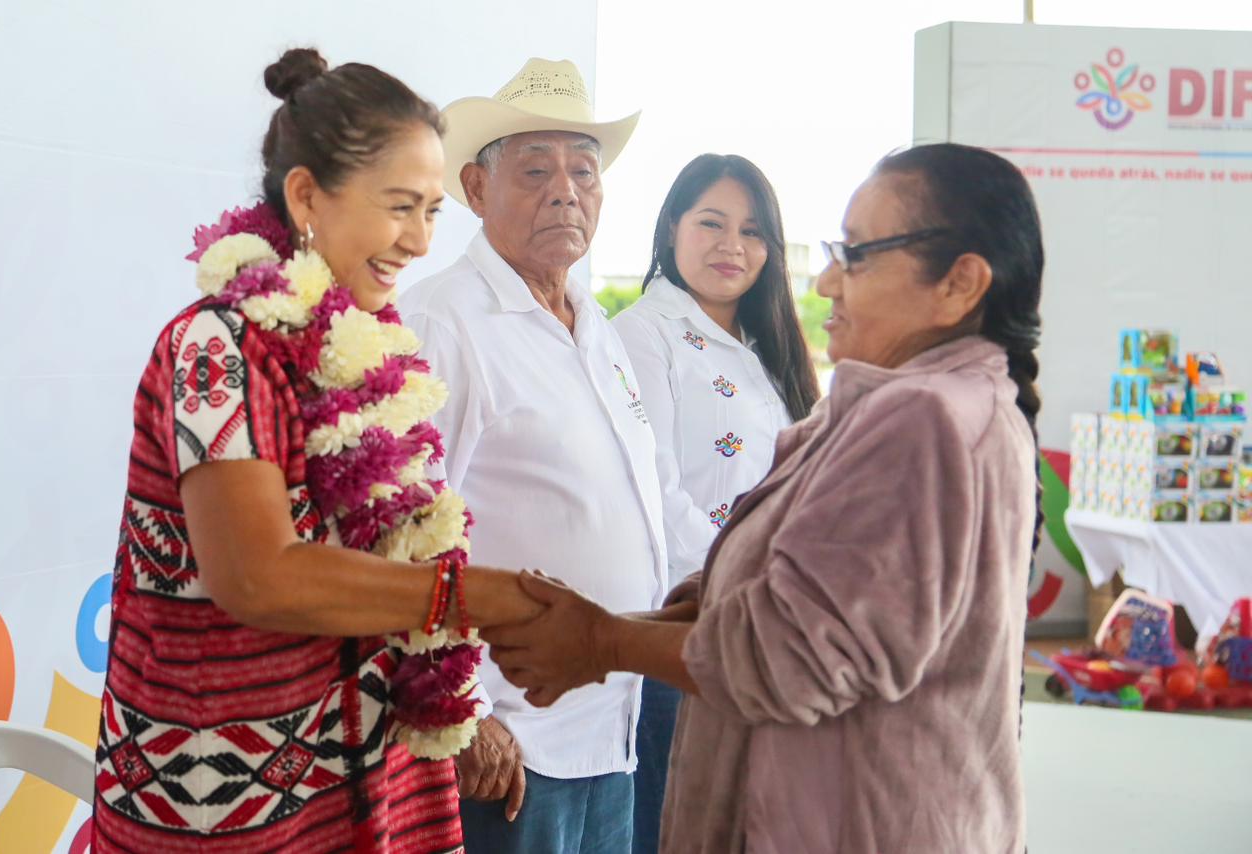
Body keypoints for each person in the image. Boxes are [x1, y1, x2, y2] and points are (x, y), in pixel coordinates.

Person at [483, 142, 1045, 853]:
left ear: (959, 284)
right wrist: (665, 609)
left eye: (857, 255)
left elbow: (796, 653)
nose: (829, 282)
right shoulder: (916, 401)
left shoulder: (923, 416)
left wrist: (605, 640)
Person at [93, 48, 545, 852]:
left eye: (433, 211)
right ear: (306, 195)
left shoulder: (370, 349)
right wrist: (473, 596)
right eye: (400, 206)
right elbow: (260, 577)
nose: (420, 241)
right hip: (229, 799)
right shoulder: (217, 347)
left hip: (372, 777)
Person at [399, 58, 665, 854]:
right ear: (477, 189)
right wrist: (463, 710)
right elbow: (402, 531)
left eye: (584, 171)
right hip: (511, 749)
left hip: (611, 735)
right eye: (536, 171)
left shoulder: (596, 324)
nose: (565, 192)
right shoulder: (444, 321)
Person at [610, 153, 818, 853]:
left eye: (752, 231)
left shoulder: (765, 345)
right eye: (711, 223)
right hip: (688, 624)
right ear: (672, 227)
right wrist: (739, 586)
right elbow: (654, 489)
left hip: (762, 626)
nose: (733, 245)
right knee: (674, 828)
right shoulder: (644, 334)